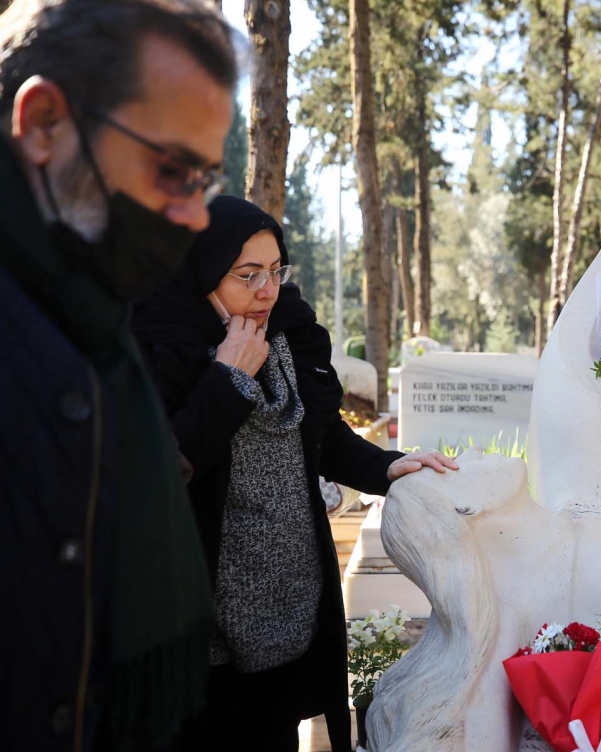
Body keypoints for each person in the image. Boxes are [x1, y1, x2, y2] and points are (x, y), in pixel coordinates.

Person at [132, 195, 458, 751]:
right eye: (247, 275)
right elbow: (160, 469)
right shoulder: (160, 344)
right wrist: (228, 377)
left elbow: (322, 436)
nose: (266, 290)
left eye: (275, 270)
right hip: (201, 625)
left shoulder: (287, 330)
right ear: (205, 272)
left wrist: (387, 465)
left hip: (290, 610)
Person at [0, 1, 239, 750]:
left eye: (205, 177)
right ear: (43, 124)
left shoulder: (96, 317)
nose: (197, 216)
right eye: (173, 169)